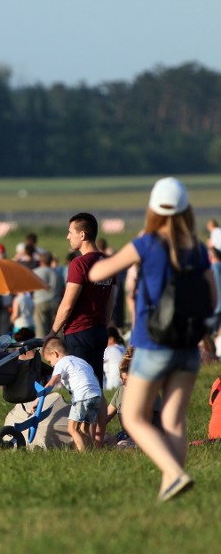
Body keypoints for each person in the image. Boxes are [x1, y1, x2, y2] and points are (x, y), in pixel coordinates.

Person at [88, 177, 214, 501]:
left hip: (152, 344)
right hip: (187, 346)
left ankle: (173, 473)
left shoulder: (146, 242)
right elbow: (212, 298)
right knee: (174, 419)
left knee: (132, 415)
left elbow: (97, 273)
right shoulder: (197, 249)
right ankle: (171, 487)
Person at [47, 212, 115, 445]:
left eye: (71, 232)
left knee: (83, 389)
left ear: (82, 234)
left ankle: (85, 442)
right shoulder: (107, 262)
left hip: (80, 331)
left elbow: (67, 304)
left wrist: (52, 333)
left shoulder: (80, 264)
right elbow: (110, 303)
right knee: (96, 386)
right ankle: (98, 438)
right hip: (99, 331)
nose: (68, 237)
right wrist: (103, 325)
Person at [42, 337, 102, 451]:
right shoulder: (80, 361)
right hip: (96, 395)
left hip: (82, 396)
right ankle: (91, 452)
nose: (51, 365)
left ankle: (82, 455)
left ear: (55, 354)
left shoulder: (61, 363)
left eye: (50, 361)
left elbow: (52, 383)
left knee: (72, 429)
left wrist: (39, 397)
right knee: (84, 429)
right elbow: (94, 377)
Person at [32, 251, 65, 338]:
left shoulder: (35, 272)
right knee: (57, 330)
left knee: (41, 330)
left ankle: (42, 350)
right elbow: (62, 289)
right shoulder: (58, 273)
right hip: (55, 302)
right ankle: (59, 348)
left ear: (40, 261)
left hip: (40, 302)